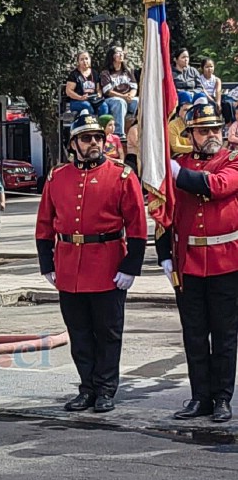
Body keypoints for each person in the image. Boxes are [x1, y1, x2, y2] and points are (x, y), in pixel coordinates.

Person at [35, 111, 147, 413]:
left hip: (108, 265)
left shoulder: (121, 175)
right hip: (69, 266)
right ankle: (87, 388)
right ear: (74, 144)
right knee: (80, 333)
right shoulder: (58, 177)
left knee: (108, 332)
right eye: (87, 138)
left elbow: (137, 226)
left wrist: (130, 266)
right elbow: (45, 224)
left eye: (98, 137)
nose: (95, 142)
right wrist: (47, 263)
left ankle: (107, 389)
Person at [157, 98, 238, 423]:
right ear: (190, 135)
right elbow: (163, 213)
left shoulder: (232, 161)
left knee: (224, 334)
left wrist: (176, 173)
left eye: (215, 129)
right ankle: (199, 397)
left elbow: (217, 186)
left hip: (226, 263)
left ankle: (222, 398)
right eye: (203, 131)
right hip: (188, 263)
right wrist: (164, 255)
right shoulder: (181, 164)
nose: (211, 135)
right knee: (194, 334)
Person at [100, 46, 138, 139]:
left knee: (138, 101)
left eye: (122, 52)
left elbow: (134, 87)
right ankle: (119, 134)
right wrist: (123, 97)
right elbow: (108, 91)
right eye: (118, 52)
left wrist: (131, 95)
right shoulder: (106, 73)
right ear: (112, 56)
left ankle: (135, 129)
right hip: (111, 99)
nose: (121, 54)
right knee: (120, 102)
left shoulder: (128, 71)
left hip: (127, 98)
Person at [65, 50, 109, 116]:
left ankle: (102, 125)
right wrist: (80, 97)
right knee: (87, 106)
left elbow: (98, 89)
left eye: (86, 58)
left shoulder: (95, 73)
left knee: (104, 106)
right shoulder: (74, 74)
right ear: (78, 62)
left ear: (90, 60)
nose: (85, 61)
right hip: (77, 101)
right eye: (82, 59)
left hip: (93, 100)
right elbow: (68, 91)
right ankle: (92, 125)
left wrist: (99, 95)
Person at [168, 91, 194, 156]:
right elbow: (175, 147)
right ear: (179, 111)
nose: (188, 112)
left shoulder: (197, 123)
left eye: (191, 110)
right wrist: (194, 149)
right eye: (185, 110)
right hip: (178, 157)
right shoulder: (173, 125)